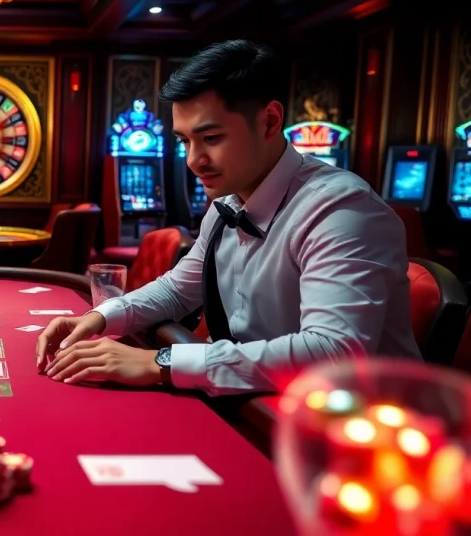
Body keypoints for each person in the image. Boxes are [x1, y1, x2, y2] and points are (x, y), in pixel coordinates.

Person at [36, 40, 420, 396]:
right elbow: (175, 290)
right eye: (185, 141)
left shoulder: (342, 210)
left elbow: (333, 353)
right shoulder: (229, 203)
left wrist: (160, 361)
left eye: (212, 138)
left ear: (270, 121)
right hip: (265, 405)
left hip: (360, 434)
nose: (192, 160)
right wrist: (101, 317)